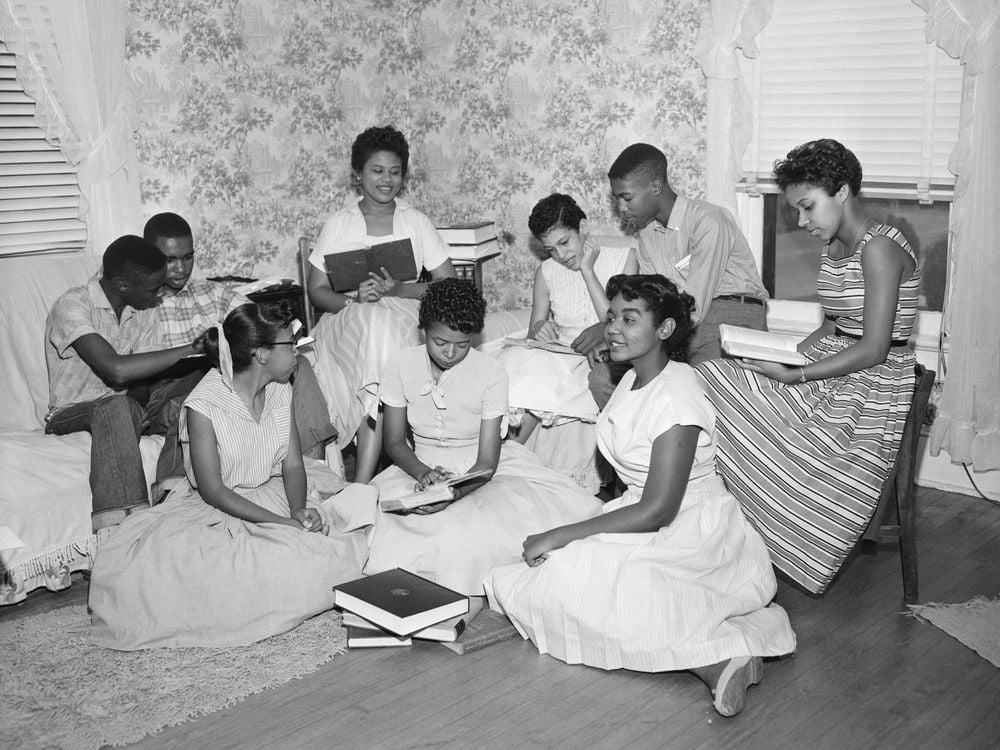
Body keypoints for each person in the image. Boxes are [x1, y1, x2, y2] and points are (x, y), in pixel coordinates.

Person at [485, 274, 795, 718]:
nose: (613, 328)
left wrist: (562, 534)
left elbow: (658, 509)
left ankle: (717, 660)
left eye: (630, 319)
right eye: (612, 317)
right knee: (549, 577)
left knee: (579, 574)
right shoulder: (631, 378)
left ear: (664, 330)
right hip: (641, 511)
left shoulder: (678, 394)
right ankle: (717, 643)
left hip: (691, 526)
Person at [696, 138, 920, 596]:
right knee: (712, 375)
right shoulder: (835, 244)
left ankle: (765, 535)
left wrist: (796, 375)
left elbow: (875, 346)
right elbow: (833, 326)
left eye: (807, 207)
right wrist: (785, 354)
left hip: (873, 379)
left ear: (841, 191)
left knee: (740, 404)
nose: (800, 221)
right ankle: (724, 533)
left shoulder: (878, 248)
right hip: (835, 358)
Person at [89, 301, 374, 650]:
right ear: (262, 355)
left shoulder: (281, 390)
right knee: (231, 576)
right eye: (291, 344)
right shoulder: (203, 406)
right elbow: (213, 490)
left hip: (274, 491)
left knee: (346, 540)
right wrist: (279, 523)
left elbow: (293, 464)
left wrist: (297, 509)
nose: (299, 351)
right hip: (222, 506)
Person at [364, 278, 603, 595]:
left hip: (479, 473)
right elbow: (394, 441)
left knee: (466, 538)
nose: (450, 353)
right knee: (377, 530)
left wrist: (452, 495)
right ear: (422, 330)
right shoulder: (399, 365)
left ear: (474, 338)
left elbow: (488, 462)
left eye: (462, 345)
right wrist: (423, 474)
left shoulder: (489, 372)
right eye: (440, 342)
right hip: (416, 465)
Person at [140, 212, 336, 496]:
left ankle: (309, 467)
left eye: (188, 257)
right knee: (201, 382)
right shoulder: (142, 302)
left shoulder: (212, 293)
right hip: (169, 393)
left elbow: (259, 323)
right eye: (170, 260)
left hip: (225, 380)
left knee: (298, 364)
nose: (181, 268)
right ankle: (172, 492)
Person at [306, 125, 456, 483]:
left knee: (385, 332)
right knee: (375, 326)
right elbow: (317, 291)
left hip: (401, 312)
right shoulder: (339, 224)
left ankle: (364, 478)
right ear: (358, 175)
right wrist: (353, 298)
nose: (386, 180)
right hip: (348, 318)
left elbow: (447, 285)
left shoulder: (416, 222)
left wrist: (400, 289)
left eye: (394, 171)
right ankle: (386, 464)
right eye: (377, 171)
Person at [576, 144, 769, 406]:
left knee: (697, 390)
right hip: (678, 325)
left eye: (627, 197)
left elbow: (695, 307)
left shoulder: (709, 221)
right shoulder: (646, 235)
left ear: (655, 186)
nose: (621, 207)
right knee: (602, 379)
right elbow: (647, 303)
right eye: (616, 199)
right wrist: (614, 332)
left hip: (731, 316)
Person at [44, 235, 206, 536]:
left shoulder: (142, 309)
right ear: (122, 285)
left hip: (124, 403)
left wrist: (138, 402)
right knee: (116, 406)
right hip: (71, 412)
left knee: (202, 385)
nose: (160, 295)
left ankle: (173, 498)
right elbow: (116, 369)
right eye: (154, 288)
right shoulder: (72, 305)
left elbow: (139, 377)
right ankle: (123, 532)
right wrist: (190, 348)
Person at [497, 193, 637, 491]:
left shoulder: (624, 257)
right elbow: (537, 324)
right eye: (551, 249)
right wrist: (540, 329)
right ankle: (504, 459)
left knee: (547, 379)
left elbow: (618, 323)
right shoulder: (546, 271)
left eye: (565, 242)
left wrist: (588, 270)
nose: (560, 255)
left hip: (601, 355)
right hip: (560, 352)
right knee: (515, 366)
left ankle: (504, 461)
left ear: (582, 227)